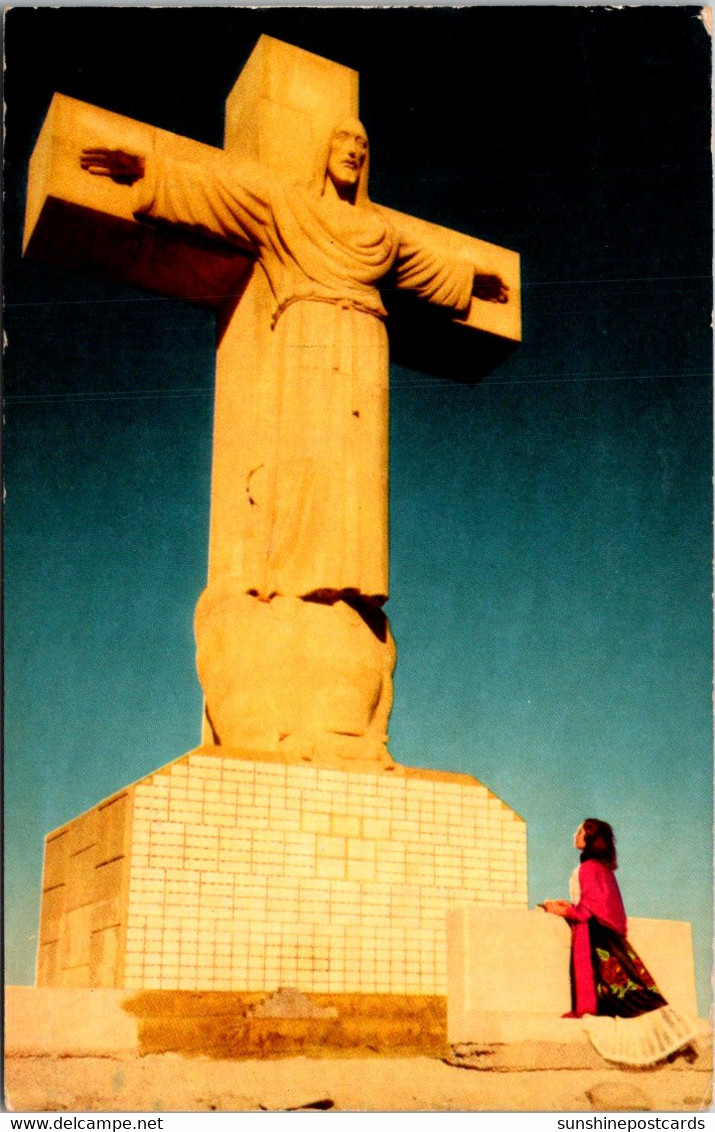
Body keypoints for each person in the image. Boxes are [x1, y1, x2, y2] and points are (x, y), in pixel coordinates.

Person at [80, 120, 508, 609]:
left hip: (366, 341)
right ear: (322, 150)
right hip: (308, 335)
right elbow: (220, 195)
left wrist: (471, 278)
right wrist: (150, 171)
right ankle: (296, 573)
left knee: (358, 467)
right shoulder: (286, 207)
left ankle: (356, 577)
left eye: (363, 145)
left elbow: (423, 264)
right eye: (344, 141)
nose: (353, 152)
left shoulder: (381, 235)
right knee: (306, 453)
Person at [543, 818, 703, 1065]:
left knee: (622, 999)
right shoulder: (602, 869)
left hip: (595, 935)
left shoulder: (586, 868)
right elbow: (598, 903)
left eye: (579, 831)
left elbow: (586, 910)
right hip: (609, 934)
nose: (574, 835)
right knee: (634, 993)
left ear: (588, 838)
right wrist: (570, 906)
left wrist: (562, 911)